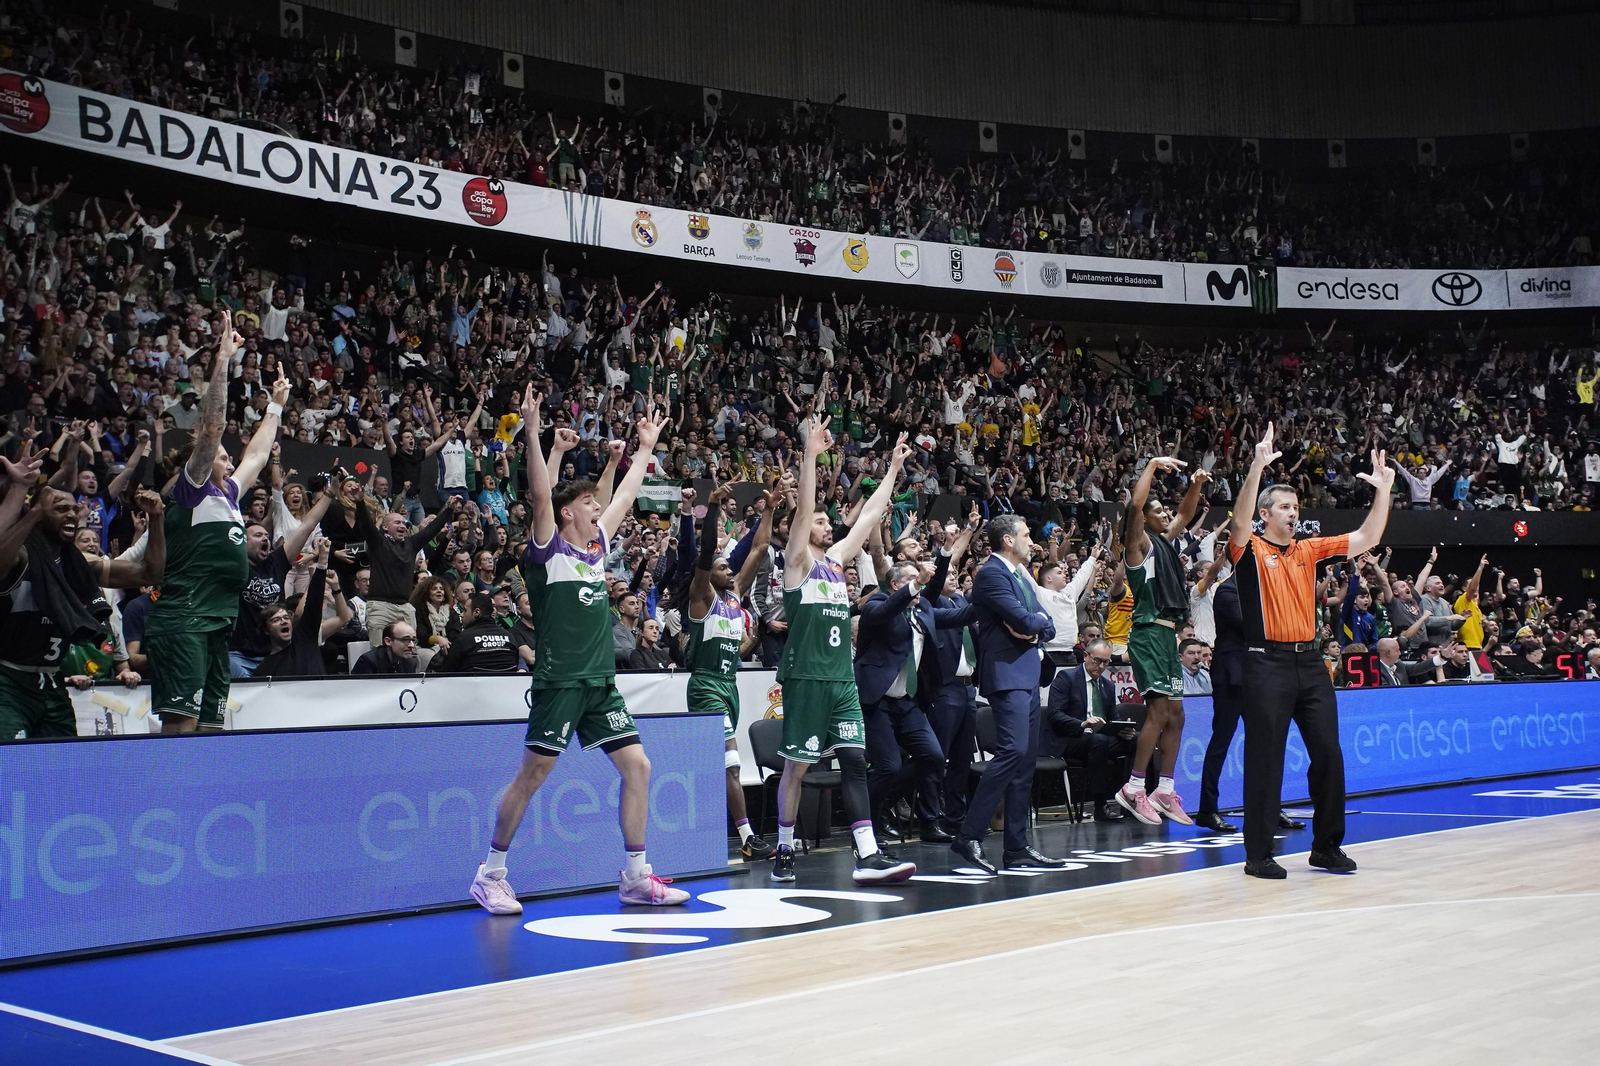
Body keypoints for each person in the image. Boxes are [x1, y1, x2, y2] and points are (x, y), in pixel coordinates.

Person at [471, 390, 689, 915]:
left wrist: (645, 449)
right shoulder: (548, 551)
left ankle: (636, 877)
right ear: (569, 514)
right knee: (532, 777)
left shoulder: (594, 554)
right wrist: (533, 431)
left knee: (638, 767)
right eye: (590, 505)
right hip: (560, 682)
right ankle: (489, 874)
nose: (601, 511)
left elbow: (628, 494)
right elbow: (542, 498)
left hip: (599, 685)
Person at [1229, 423, 1393, 879]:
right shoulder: (1248, 548)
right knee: (1266, 759)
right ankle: (1258, 854)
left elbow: (1367, 538)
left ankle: (1326, 847)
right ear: (1266, 513)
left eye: (1296, 506)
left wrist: (1382, 492)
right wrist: (1257, 466)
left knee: (1329, 753)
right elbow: (1239, 521)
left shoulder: (1309, 550)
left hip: (1311, 661)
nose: (1292, 511)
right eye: (1284, 506)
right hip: (1265, 662)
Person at [771, 414, 917, 886]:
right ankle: (784, 847)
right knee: (796, 767)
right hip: (806, 680)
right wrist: (811, 454)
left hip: (842, 680)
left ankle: (867, 854)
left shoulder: (835, 563)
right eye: (818, 519)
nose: (824, 521)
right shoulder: (798, 564)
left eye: (826, 519)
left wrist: (893, 468)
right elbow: (803, 509)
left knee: (856, 760)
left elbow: (871, 514)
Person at [147, 316, 285, 734]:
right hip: (185, 620)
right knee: (181, 730)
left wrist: (277, 404)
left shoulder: (227, 497)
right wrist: (223, 360)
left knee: (210, 730)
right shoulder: (192, 489)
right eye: (223, 456)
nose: (229, 460)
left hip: (216, 625)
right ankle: (162, 799)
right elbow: (211, 428)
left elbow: (259, 455)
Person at [0, 442, 165, 739]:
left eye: (74, 509)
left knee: (62, 766)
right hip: (8, 681)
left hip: (51, 684)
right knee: (12, 764)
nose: (71, 515)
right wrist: (27, 505)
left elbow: (149, 573)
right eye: (60, 508)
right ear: (38, 512)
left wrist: (156, 519)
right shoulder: (22, 555)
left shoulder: (79, 564)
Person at [953, 513, 1070, 874]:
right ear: (1007, 540)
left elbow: (1042, 622)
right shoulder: (991, 573)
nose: (1031, 538)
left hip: (1028, 673)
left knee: (1024, 762)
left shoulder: (1020, 575)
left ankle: (1016, 846)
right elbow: (1026, 620)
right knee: (1012, 751)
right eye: (1026, 532)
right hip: (1007, 675)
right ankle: (969, 836)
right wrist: (1033, 625)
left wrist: (1035, 628)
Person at [685, 480, 783, 862]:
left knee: (714, 765)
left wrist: (770, 510)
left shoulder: (734, 597)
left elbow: (759, 548)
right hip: (707, 687)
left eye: (730, 567)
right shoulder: (702, 595)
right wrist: (711, 508)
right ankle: (746, 838)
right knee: (731, 762)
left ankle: (703, 828)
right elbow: (707, 551)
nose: (729, 570)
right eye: (723, 567)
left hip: (729, 685)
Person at [853, 552, 973, 845]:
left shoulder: (922, 611)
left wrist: (993, 605)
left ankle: (884, 805)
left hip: (907, 701)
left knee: (932, 758)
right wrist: (917, 581)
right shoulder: (878, 605)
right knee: (888, 766)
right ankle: (867, 827)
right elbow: (882, 614)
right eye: (910, 580)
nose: (918, 585)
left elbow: (957, 613)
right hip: (876, 700)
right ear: (894, 585)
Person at [1115, 457, 1206, 827]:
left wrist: (1196, 483)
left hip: (1168, 634)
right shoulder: (1137, 547)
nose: (1164, 512)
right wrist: (1151, 465)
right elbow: (1135, 505)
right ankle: (1134, 788)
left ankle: (1164, 790)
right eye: (1158, 509)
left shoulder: (1165, 543)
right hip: (1148, 632)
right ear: (1143, 521)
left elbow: (1184, 514)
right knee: (1157, 713)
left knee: (1177, 714)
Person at [917, 515, 981, 842]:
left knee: (961, 759)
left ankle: (956, 816)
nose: (953, 575)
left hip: (969, 691)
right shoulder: (931, 604)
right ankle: (930, 817)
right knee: (936, 757)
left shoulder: (960, 601)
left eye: (957, 572)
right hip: (943, 691)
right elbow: (941, 573)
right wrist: (949, 548)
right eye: (949, 573)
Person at [231, 483, 332, 677]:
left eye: (266, 535)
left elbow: (306, 526)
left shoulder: (275, 562)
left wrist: (330, 493)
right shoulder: (236, 567)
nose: (265, 538)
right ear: (242, 542)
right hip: (240, 656)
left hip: (275, 653)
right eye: (257, 535)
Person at [1046, 640, 1135, 822]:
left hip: (1098, 739)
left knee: (1137, 740)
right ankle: (1100, 806)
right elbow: (1054, 715)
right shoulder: (1066, 678)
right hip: (1071, 738)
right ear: (1085, 656)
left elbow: (1113, 718)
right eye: (1097, 661)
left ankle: (1133, 798)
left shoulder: (1108, 686)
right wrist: (1082, 723)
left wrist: (1123, 729)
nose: (1101, 666)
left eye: (1106, 662)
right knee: (1099, 741)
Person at [253, 538, 335, 678]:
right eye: (276, 620)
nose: (284, 621)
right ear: (266, 630)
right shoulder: (263, 670)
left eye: (286, 617)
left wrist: (322, 563)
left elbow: (313, 603)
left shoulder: (305, 638)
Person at [430, 591, 521, 675]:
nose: (461, 614)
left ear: (477, 612)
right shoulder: (509, 636)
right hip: (506, 690)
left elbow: (446, 673)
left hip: (471, 690)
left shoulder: (463, 639)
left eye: (465, 610)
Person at [353, 621, 422, 674]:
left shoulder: (411, 661)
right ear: (388, 641)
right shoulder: (368, 661)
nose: (411, 645)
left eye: (413, 640)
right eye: (405, 640)